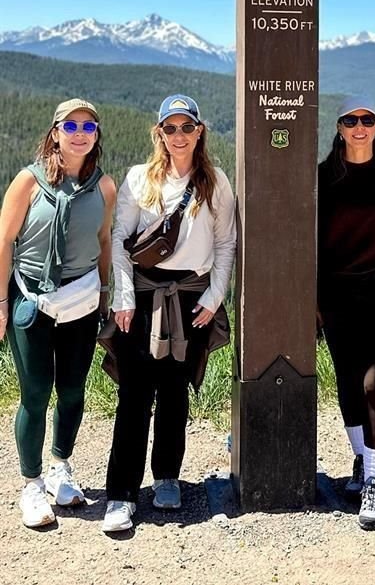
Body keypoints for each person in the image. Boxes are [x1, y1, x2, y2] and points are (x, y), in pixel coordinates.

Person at [102, 94, 236, 533]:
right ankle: (121, 493)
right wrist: (122, 296)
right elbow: (121, 240)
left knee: (175, 393)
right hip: (141, 299)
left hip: (190, 298)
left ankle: (167, 478)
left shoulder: (215, 181)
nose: (179, 135)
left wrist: (215, 296)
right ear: (159, 133)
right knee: (135, 396)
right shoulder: (139, 179)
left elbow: (224, 244)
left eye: (186, 127)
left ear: (200, 131)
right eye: (170, 128)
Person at [0, 99, 115, 528]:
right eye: (72, 125)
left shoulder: (103, 187)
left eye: (89, 126)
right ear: (56, 132)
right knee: (34, 394)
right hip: (32, 300)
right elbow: (4, 243)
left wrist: (105, 293)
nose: (80, 133)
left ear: (96, 136)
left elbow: (103, 242)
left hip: (82, 302)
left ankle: (60, 468)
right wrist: (0, 304)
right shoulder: (27, 183)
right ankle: (31, 485)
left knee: (71, 390)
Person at [318, 96, 375, 531]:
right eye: (350, 120)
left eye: (367, 120)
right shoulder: (322, 178)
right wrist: (313, 300)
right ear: (339, 127)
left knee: (373, 382)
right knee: (347, 382)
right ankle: (361, 458)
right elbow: (312, 242)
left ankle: (374, 480)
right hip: (335, 293)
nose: (359, 126)